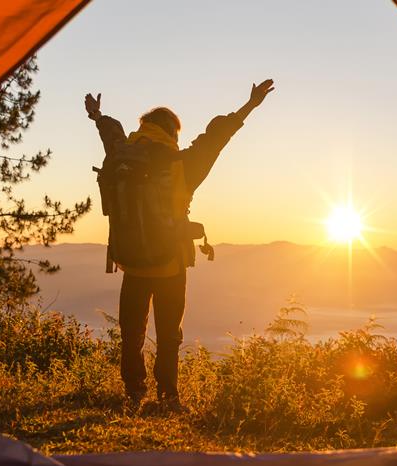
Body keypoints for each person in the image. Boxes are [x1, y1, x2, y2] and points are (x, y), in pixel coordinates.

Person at [84, 79, 274, 407]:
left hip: (129, 260)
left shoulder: (122, 154)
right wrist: (249, 106)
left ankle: (133, 392)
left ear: (144, 127)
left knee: (131, 332)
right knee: (169, 334)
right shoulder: (183, 164)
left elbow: (111, 132)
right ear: (173, 132)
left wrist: (97, 115)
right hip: (170, 262)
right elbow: (217, 137)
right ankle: (168, 396)